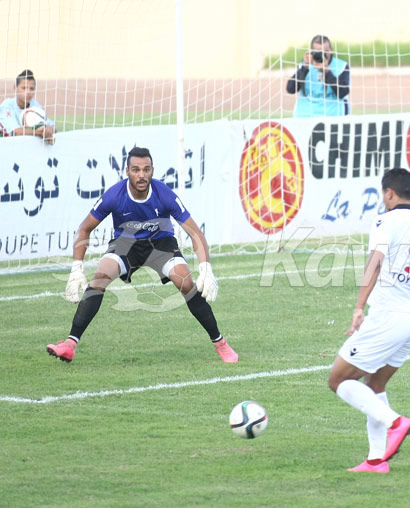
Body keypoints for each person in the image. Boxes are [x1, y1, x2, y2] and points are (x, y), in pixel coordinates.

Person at [46, 146, 238, 364]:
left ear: (152, 171)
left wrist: (206, 269)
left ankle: (220, 343)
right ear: (127, 171)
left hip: (160, 244)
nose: (141, 175)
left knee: (185, 282)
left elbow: (194, 232)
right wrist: (76, 269)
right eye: (136, 170)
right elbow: (84, 228)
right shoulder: (114, 195)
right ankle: (70, 344)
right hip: (125, 244)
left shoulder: (164, 194)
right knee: (100, 277)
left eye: (146, 170)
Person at [328, 168, 410, 474]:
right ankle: (375, 460)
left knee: (338, 380)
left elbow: (376, 260)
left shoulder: (385, 221)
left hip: (387, 318)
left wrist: (359, 306)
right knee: (374, 383)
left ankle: (395, 422)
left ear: (389, 194)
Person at [286, 35, 350, 118]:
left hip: (333, 115)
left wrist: (327, 72)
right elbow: (290, 89)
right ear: (311, 51)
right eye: (318, 52)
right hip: (306, 115)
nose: (322, 55)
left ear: (331, 50)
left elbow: (343, 93)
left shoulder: (341, 66)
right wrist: (305, 68)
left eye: (326, 51)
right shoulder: (305, 65)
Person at [0, 69, 56, 144]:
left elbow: (52, 125)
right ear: (15, 88)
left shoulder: (35, 105)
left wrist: (50, 129)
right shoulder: (7, 105)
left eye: (31, 88)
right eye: (24, 88)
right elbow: (16, 132)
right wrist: (41, 133)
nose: (28, 92)